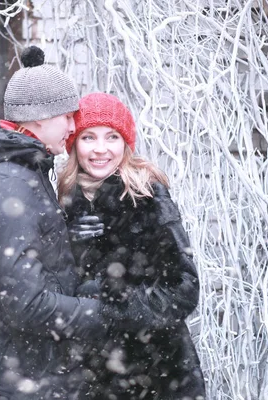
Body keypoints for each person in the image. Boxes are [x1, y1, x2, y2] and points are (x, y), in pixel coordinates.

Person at [0, 47, 179, 399]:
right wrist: (105, 311)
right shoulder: (9, 183)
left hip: (36, 377)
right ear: (39, 117)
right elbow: (27, 305)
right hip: (24, 383)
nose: (74, 128)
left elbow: (42, 274)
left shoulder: (29, 172)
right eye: (69, 117)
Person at [58, 93, 206, 400]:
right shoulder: (63, 200)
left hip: (157, 375)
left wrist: (110, 302)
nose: (100, 149)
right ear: (74, 144)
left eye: (112, 137)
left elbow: (185, 289)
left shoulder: (146, 195)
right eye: (88, 137)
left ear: (125, 144)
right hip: (90, 378)